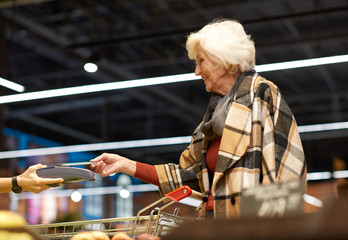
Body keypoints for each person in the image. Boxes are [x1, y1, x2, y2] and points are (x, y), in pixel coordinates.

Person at [89, 19, 307, 219]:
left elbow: (287, 175)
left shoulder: (262, 94)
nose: (196, 71)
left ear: (225, 60)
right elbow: (189, 175)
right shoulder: (214, 115)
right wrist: (127, 165)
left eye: (201, 61)